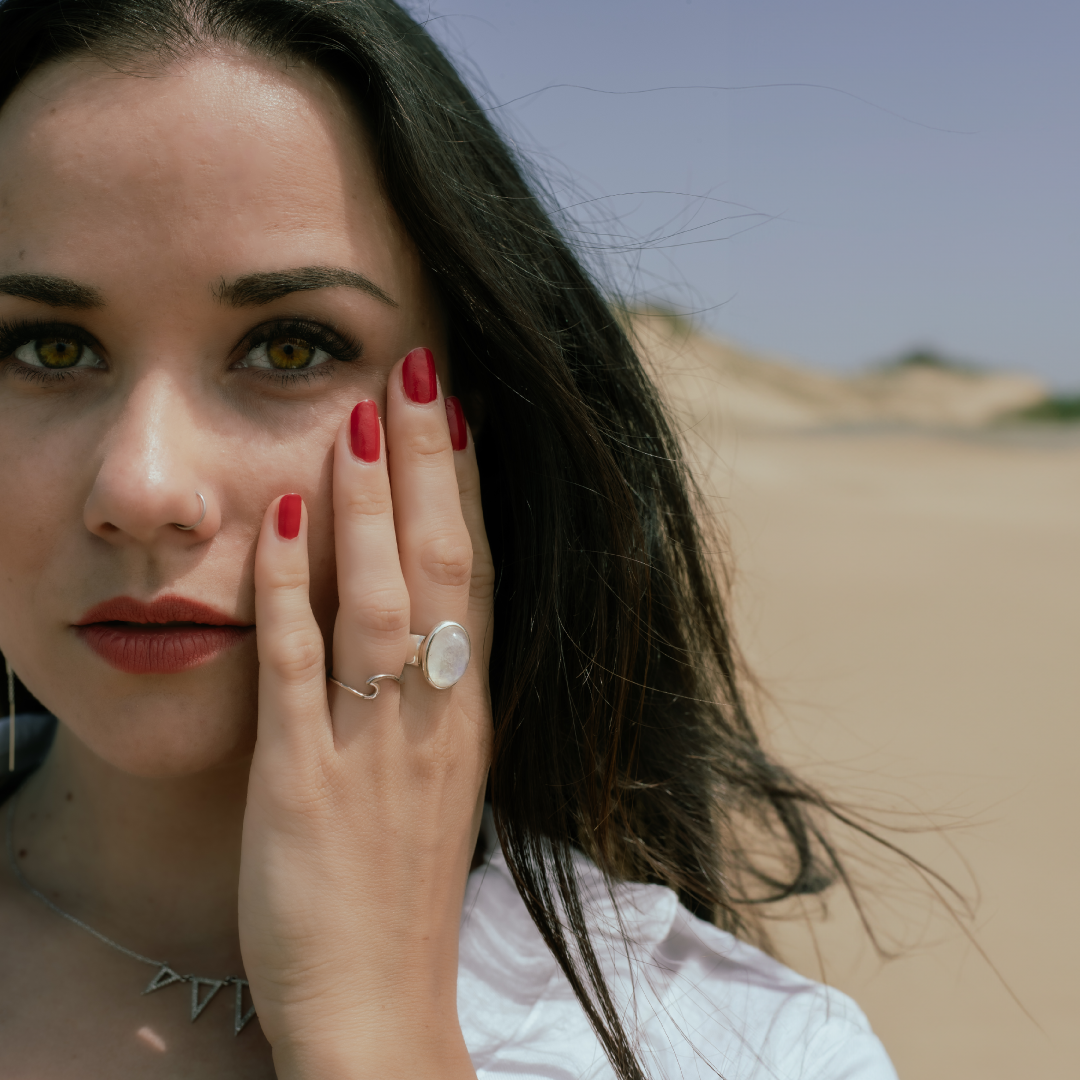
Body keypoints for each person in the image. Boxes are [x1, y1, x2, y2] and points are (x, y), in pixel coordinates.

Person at [0, 1, 897, 1077]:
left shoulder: (749, 1051)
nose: (142, 487)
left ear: (474, 417)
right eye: (50, 348)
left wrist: (374, 1032)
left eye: (289, 348)